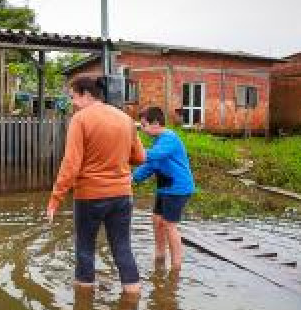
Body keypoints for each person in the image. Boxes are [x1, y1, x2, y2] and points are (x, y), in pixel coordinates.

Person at [46, 76, 146, 295]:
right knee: (122, 248)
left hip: (89, 197)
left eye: (73, 97)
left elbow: (71, 165)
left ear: (86, 94)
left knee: (85, 250)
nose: (72, 102)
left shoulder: (80, 120)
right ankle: (132, 296)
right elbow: (140, 157)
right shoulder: (125, 119)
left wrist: (55, 198)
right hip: (122, 195)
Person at [133, 106, 196, 270]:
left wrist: (130, 151)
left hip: (178, 188)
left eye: (144, 125)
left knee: (169, 225)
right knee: (157, 220)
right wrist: (132, 178)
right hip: (165, 188)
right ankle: (160, 255)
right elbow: (151, 165)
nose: (142, 129)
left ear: (155, 123)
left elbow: (152, 156)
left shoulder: (169, 138)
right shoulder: (158, 141)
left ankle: (176, 266)